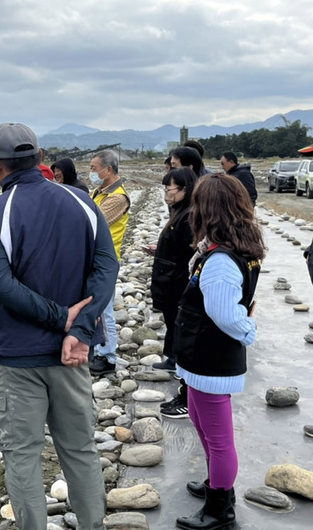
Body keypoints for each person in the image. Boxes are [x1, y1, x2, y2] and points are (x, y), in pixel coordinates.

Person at [0, 122, 118, 530]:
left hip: (15, 357)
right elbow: (107, 265)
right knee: (80, 449)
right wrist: (79, 327)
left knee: (22, 457)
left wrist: (62, 318)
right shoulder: (82, 203)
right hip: (71, 357)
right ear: (40, 159)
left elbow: (2, 286)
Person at [174, 174, 264, 530]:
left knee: (219, 438)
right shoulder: (231, 245)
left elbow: (227, 314)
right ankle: (216, 484)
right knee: (201, 421)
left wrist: (247, 330)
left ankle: (220, 508)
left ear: (208, 210)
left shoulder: (222, 262)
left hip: (211, 358)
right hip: (202, 358)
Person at [144, 168, 198, 419]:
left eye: (170, 189)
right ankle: (173, 358)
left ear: (185, 190)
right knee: (172, 321)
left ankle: (182, 376)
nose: (166, 193)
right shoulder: (180, 213)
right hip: (170, 278)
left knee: (178, 322)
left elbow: (188, 257)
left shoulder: (188, 218)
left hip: (176, 282)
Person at [88, 150, 131, 374]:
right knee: (94, 306)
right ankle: (96, 351)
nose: (91, 173)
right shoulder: (100, 191)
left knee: (104, 310)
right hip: (95, 258)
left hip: (106, 260)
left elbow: (93, 223)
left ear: (109, 170)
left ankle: (108, 357)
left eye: (94, 168)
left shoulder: (117, 198)